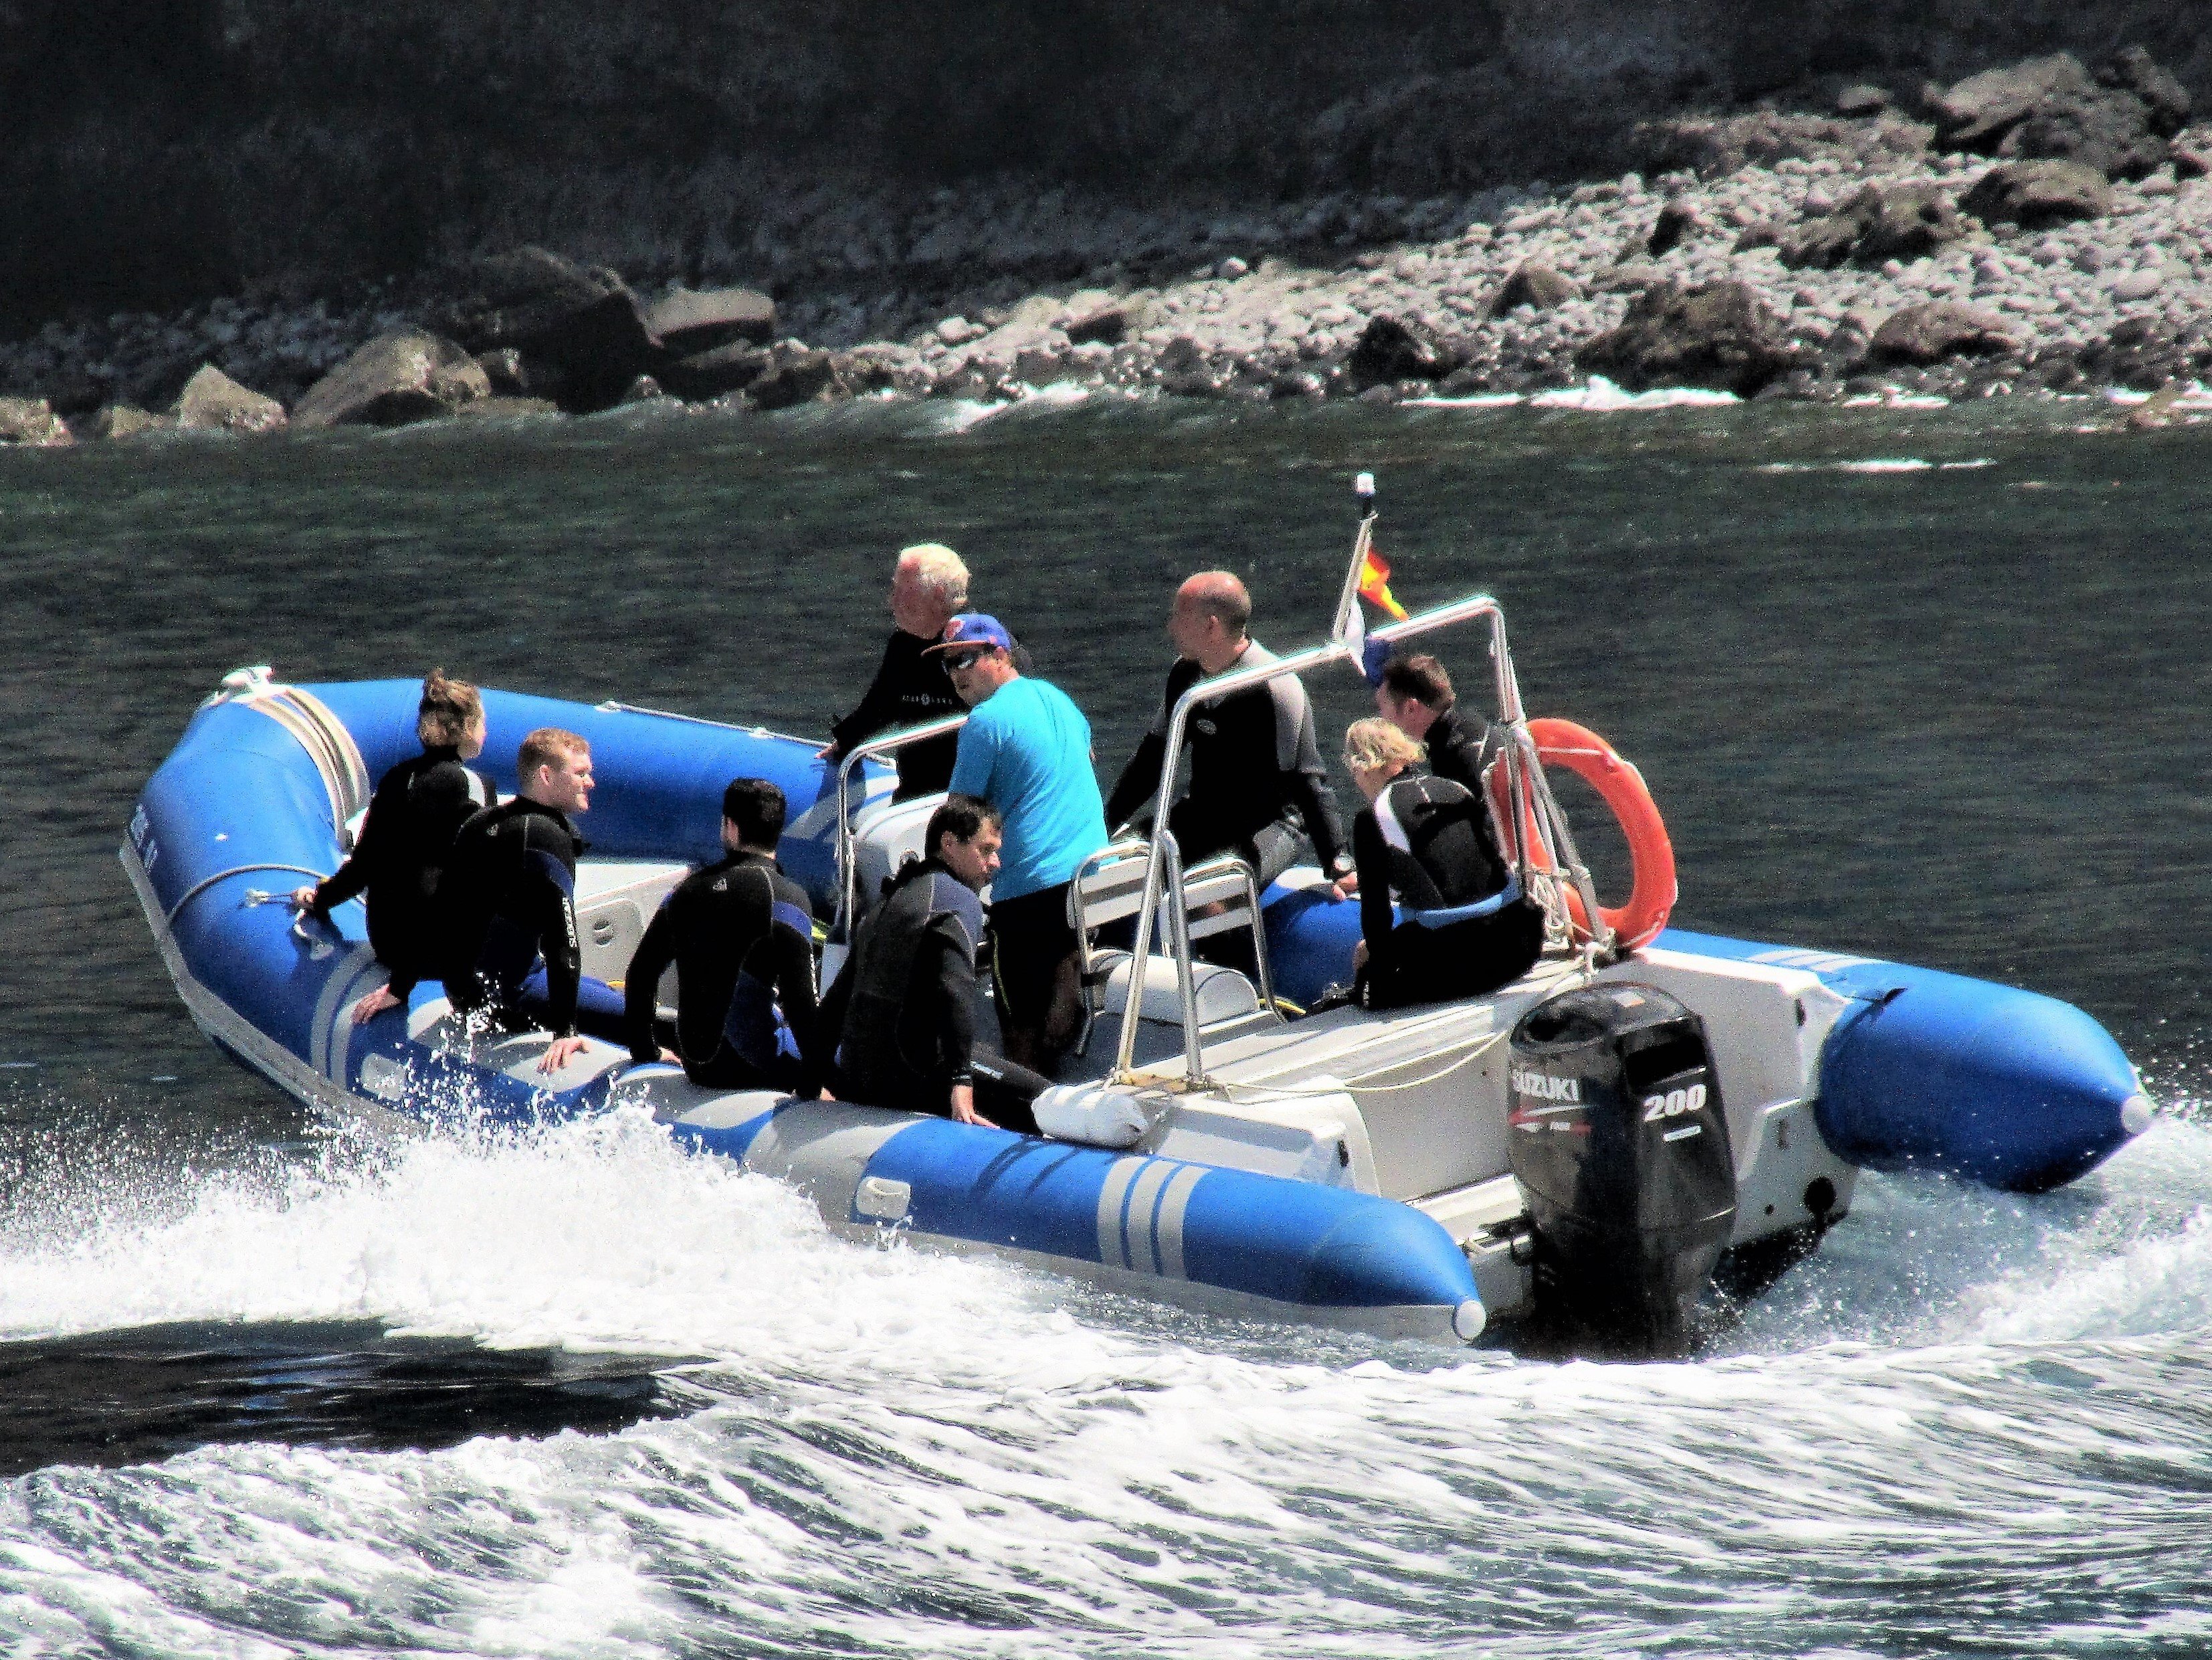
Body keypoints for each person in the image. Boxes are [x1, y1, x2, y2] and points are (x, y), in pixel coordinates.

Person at [1105, 571, 1354, 897]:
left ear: (1211, 626)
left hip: (1270, 825)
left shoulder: (1276, 686)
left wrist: (1338, 860)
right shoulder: (1184, 676)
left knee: (1212, 894)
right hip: (1203, 816)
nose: (1171, 628)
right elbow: (1152, 762)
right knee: (1111, 872)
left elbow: (1308, 782)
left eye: (1180, 617)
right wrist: (1103, 826)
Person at [933, 614, 1109, 1075]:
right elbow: (1084, 757)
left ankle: (1024, 1123)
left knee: (1019, 1031)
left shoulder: (983, 723)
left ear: (1000, 655)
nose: (955, 674)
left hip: (1031, 896)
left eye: (965, 659)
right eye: (947, 665)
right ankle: (1068, 964)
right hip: (1094, 874)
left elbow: (959, 819)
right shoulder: (1056, 696)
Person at [809, 796, 1047, 1131]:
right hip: (912, 1076)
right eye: (986, 850)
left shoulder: (884, 904)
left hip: (861, 1075)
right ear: (949, 843)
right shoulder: (957, 899)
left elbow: (836, 1000)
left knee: (984, 1054)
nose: (995, 862)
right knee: (1043, 1098)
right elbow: (956, 990)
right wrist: (961, 1082)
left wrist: (815, 1077)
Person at [291, 670, 492, 1025]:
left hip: (388, 939)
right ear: (466, 730)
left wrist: (319, 900)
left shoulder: (396, 779)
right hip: (434, 952)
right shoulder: (474, 787)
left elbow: (362, 866)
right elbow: (463, 888)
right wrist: (403, 984)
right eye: (482, 725)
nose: (486, 733)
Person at [439, 727, 625, 1073]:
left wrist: (402, 984)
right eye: (581, 773)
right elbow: (562, 941)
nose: (590, 783)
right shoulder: (545, 835)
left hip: (467, 996)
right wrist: (565, 1030)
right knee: (655, 1022)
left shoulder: (478, 823)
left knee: (603, 990)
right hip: (514, 995)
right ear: (546, 775)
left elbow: (442, 910)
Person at [622, 777, 817, 1091]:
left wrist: (647, 1051)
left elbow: (641, 975)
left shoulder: (685, 892)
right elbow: (802, 1003)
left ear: (730, 827)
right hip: (757, 1070)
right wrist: (815, 1083)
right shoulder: (786, 897)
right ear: (777, 831)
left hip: (699, 1069)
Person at [1340, 717, 1544, 1010]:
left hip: (1460, 965)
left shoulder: (1372, 817)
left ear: (1363, 766)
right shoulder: (1455, 790)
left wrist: (1373, 981)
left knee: (1367, 975)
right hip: (1520, 946)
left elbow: (1377, 916)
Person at [821, 543, 991, 800]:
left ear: (937, 594)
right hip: (913, 796)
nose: (892, 600)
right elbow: (879, 708)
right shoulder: (903, 646)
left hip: (969, 800)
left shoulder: (985, 649)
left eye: (902, 591)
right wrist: (845, 743)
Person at [1373, 652, 1502, 798]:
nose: (1381, 717)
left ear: (1411, 707)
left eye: (1382, 708)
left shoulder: (1451, 760)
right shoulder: (1472, 725)